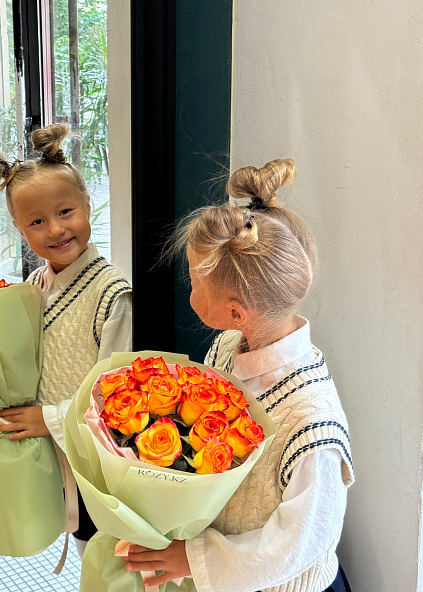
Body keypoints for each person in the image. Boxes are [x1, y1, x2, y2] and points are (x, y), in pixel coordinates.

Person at [125, 158, 353, 592]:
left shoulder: (312, 422)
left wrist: (194, 558)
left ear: (234, 311)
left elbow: (298, 544)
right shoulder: (229, 346)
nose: (188, 290)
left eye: (193, 282)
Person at [0, 123, 132, 556]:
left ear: (87, 203)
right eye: (37, 221)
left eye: (66, 212)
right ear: (19, 228)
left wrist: (49, 418)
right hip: (50, 446)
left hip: (92, 453)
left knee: (98, 550)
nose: (55, 230)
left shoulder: (113, 294)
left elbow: (116, 394)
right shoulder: (34, 285)